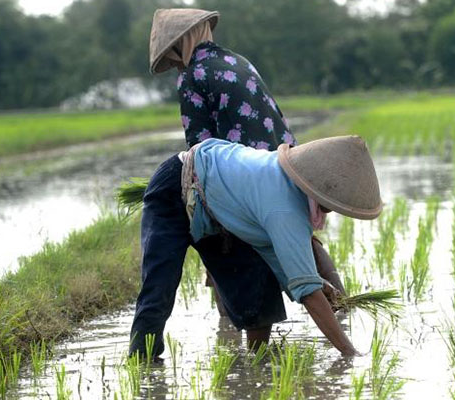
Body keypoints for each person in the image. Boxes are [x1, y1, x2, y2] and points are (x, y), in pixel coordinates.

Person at [129, 8, 347, 358]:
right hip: (267, 167)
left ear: (179, 45)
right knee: (271, 257)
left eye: (172, 58)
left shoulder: (193, 74)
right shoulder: (238, 61)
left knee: (170, 282)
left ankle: (144, 361)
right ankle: (338, 307)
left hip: (228, 181)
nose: (175, 66)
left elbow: (198, 149)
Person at [134, 134, 382, 358]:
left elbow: (280, 260)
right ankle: (142, 366)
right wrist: (349, 353)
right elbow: (307, 293)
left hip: (219, 215)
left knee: (258, 298)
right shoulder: (285, 209)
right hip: (176, 187)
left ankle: (257, 367)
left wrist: (318, 283)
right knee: (159, 288)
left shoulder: (290, 190)